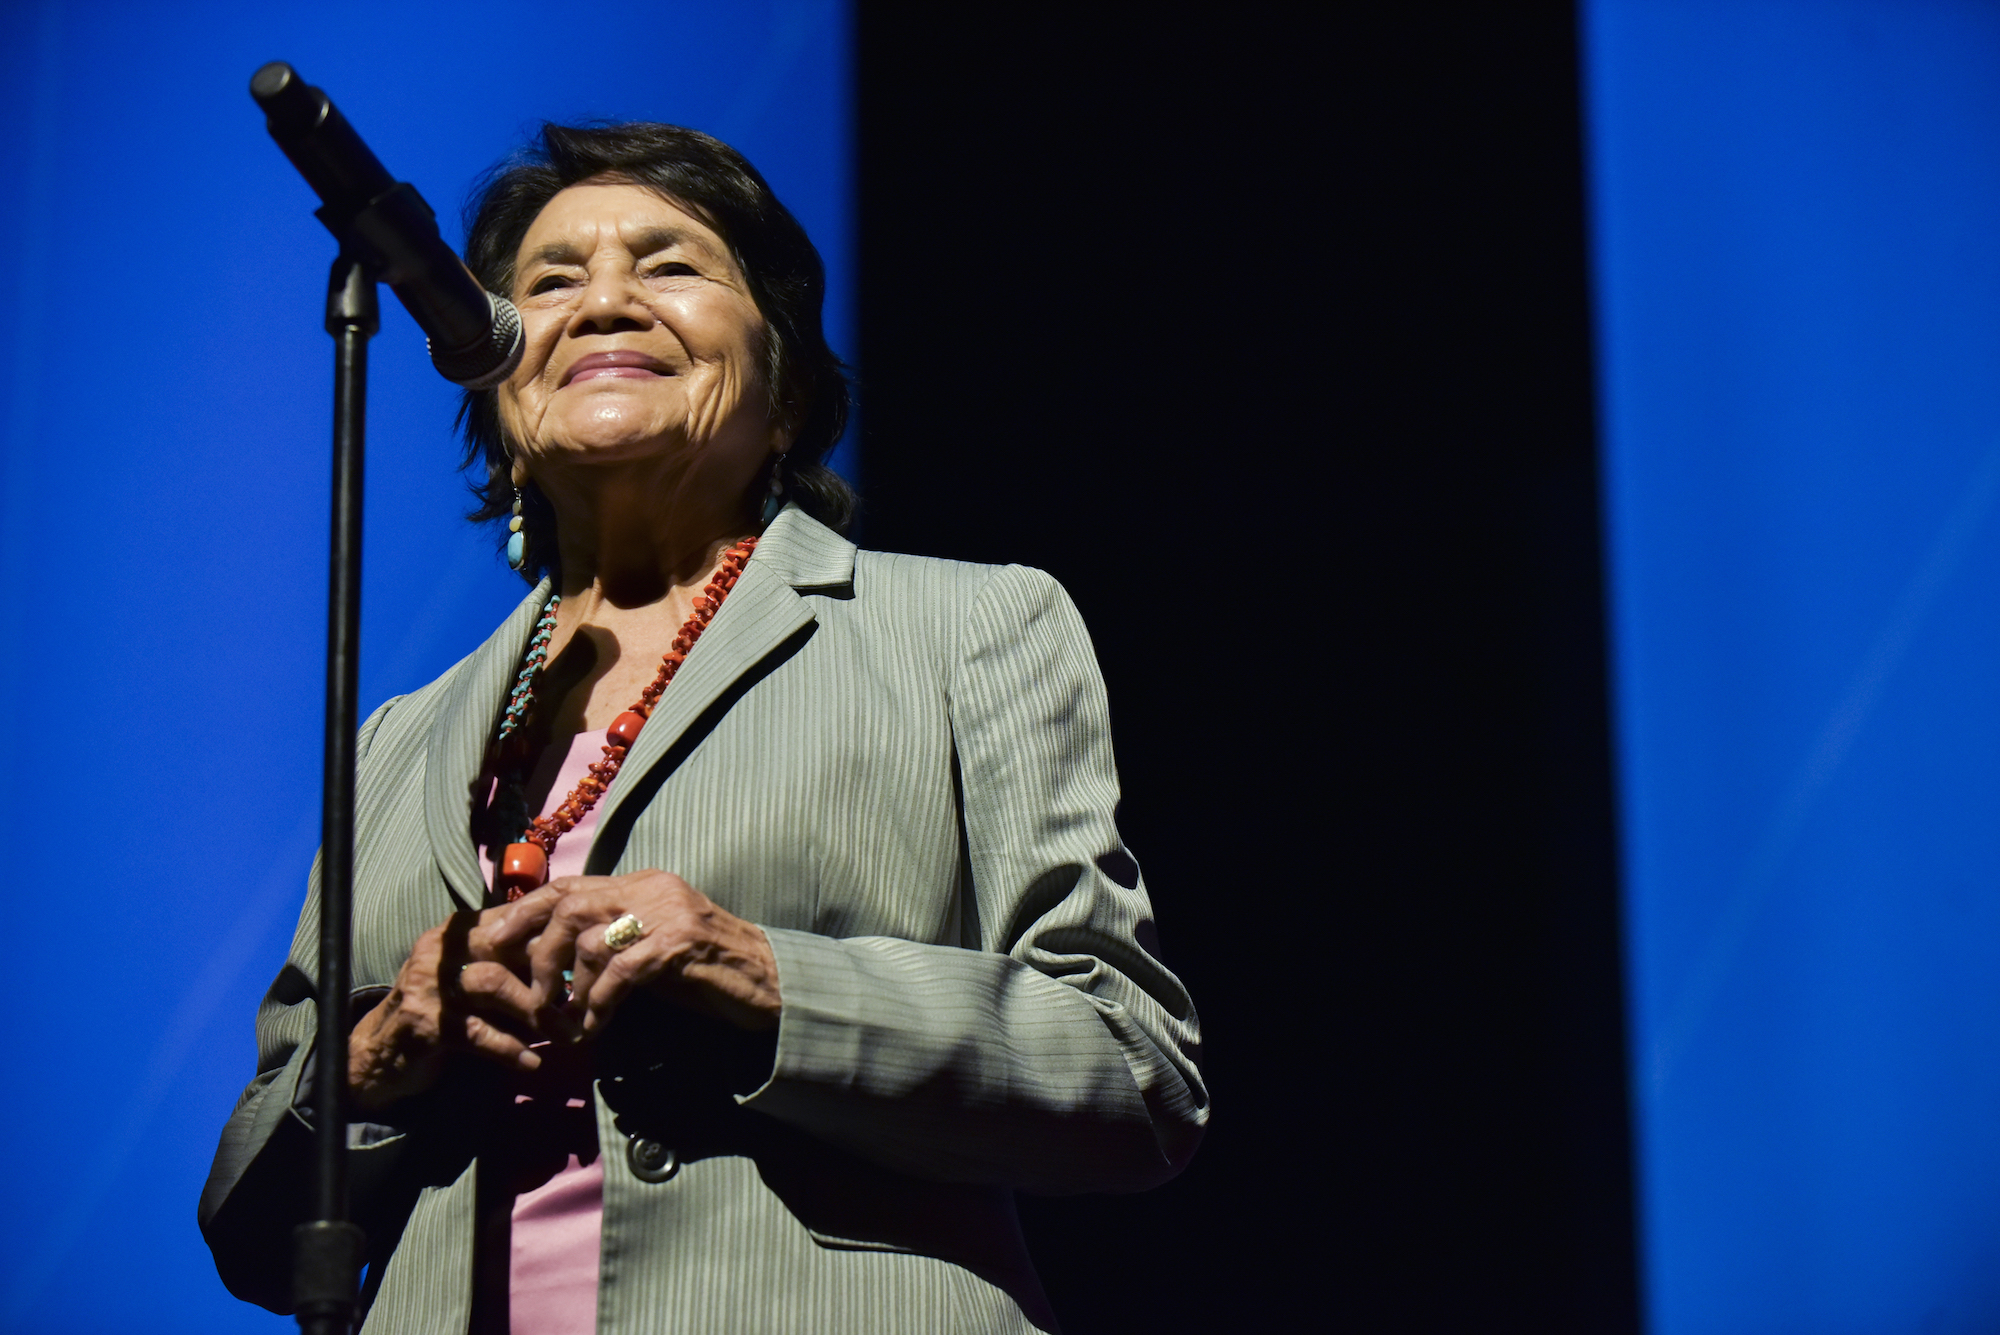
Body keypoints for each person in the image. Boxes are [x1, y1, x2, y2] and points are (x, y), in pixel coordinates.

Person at [200, 121, 1205, 1335]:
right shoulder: (396, 742)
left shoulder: (966, 627)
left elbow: (1129, 1076)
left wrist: (761, 974)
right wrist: (386, 1052)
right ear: (500, 399)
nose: (604, 302)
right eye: (550, 283)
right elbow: (247, 1226)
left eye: (669, 266)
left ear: (782, 391)